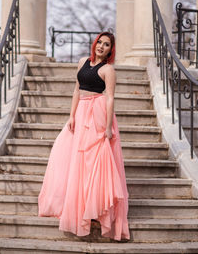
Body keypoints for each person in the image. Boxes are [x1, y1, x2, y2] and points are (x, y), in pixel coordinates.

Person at [38, 32, 130, 241]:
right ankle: (78, 206)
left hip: (97, 113)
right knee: (72, 158)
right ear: (95, 43)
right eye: (100, 42)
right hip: (81, 113)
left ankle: (95, 209)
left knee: (95, 161)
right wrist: (71, 116)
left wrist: (108, 127)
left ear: (110, 50)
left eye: (107, 45)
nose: (102, 46)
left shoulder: (108, 70)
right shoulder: (82, 62)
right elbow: (76, 91)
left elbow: (110, 97)